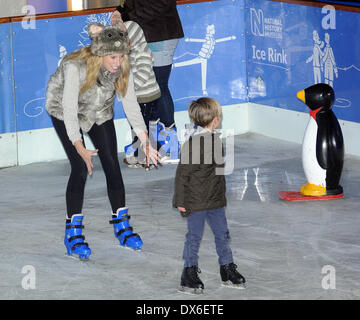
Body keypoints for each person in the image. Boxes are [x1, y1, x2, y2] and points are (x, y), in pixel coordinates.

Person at [45, 22, 160, 260]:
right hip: (64, 111)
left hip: (99, 112)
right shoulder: (75, 67)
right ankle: (72, 233)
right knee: (79, 167)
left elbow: (129, 104)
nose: (117, 62)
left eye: (120, 56)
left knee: (112, 163)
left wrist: (144, 139)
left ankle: (122, 226)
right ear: (100, 54)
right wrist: (80, 146)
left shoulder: (122, 68)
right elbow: (68, 109)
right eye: (112, 57)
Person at [173, 97, 246, 294]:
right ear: (215, 119)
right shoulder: (194, 143)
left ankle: (227, 268)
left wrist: (221, 196)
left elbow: (217, 173)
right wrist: (180, 201)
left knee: (223, 234)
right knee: (194, 237)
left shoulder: (214, 139)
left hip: (215, 200)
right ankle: (188, 272)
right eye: (219, 115)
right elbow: (183, 174)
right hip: (196, 201)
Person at [112, 0, 184, 160]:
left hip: (160, 35)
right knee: (149, 89)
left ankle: (169, 144)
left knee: (159, 87)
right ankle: (150, 143)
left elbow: (162, 4)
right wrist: (119, 10)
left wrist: (126, 15)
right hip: (147, 36)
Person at [112, 10, 161, 169]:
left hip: (147, 97)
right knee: (136, 126)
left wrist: (130, 88)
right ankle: (140, 153)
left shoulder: (143, 53)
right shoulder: (126, 56)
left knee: (146, 127)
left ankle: (147, 156)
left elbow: (142, 75)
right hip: (137, 98)